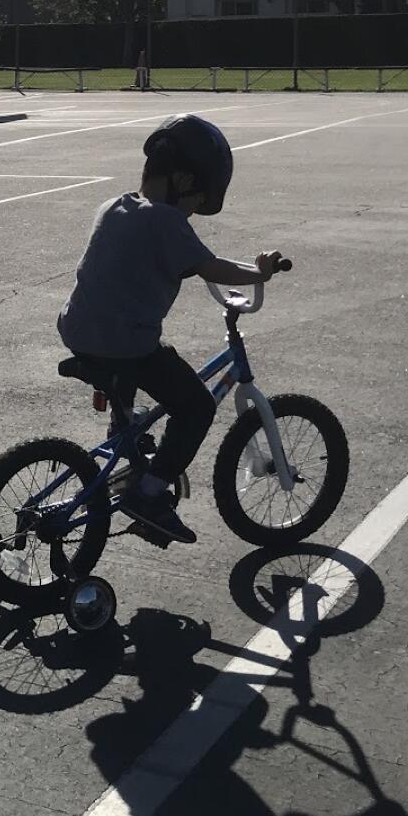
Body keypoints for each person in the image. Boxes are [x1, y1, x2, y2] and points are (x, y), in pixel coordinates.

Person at [56, 113, 285, 546]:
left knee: (146, 351)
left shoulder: (116, 204)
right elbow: (210, 266)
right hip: (123, 342)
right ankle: (149, 494)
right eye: (197, 199)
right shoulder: (166, 221)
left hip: (79, 329)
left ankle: (121, 435)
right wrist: (259, 275)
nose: (194, 211)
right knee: (195, 406)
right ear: (180, 179)